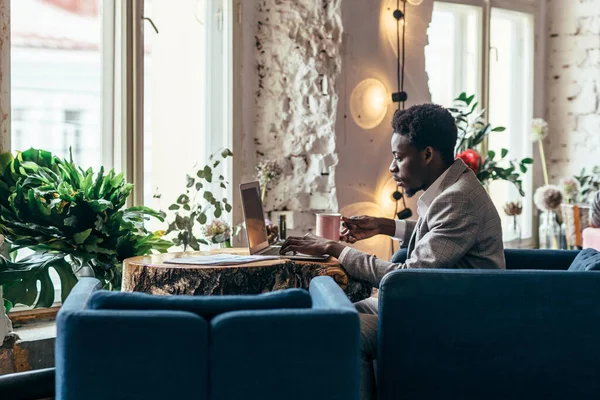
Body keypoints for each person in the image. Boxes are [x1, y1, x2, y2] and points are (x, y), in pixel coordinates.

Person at [280, 103, 505, 400]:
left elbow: (409, 278)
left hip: (451, 317)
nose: (392, 167)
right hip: (436, 302)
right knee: (325, 316)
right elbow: (439, 238)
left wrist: (335, 248)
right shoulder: (455, 185)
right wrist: (385, 226)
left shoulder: (457, 199)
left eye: (399, 157)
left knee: (342, 333)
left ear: (427, 154)